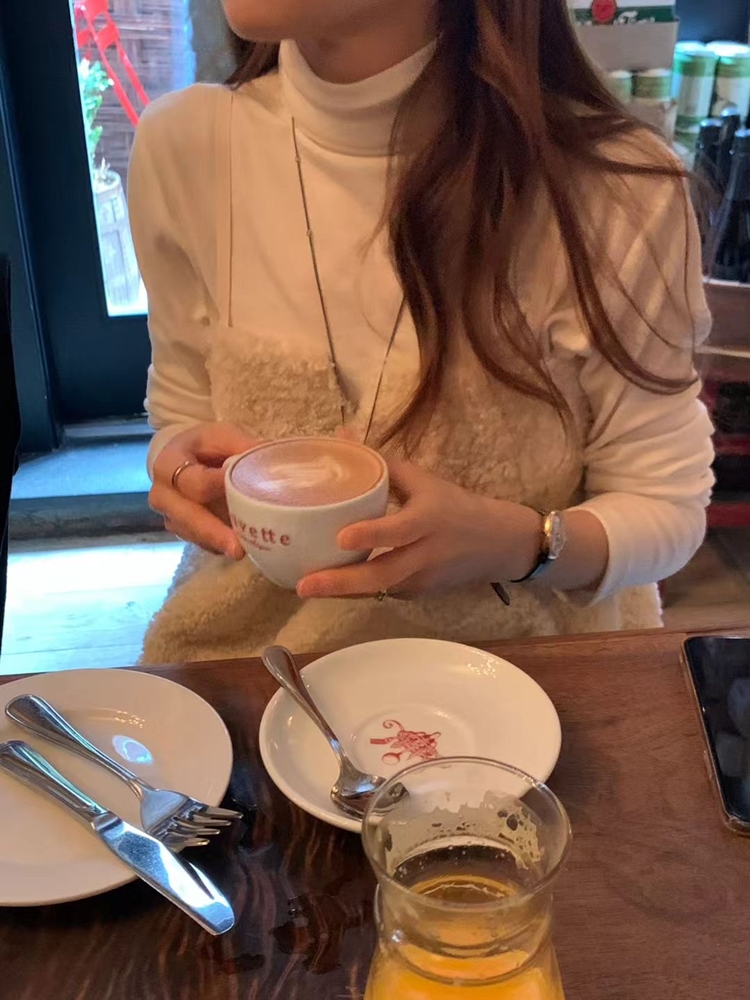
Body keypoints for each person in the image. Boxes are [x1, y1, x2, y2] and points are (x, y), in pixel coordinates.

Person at [129, 0, 714, 664]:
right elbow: (183, 410)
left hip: (533, 675)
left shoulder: (614, 187)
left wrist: (520, 544)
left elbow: (666, 504)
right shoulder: (184, 146)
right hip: (262, 671)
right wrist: (179, 468)